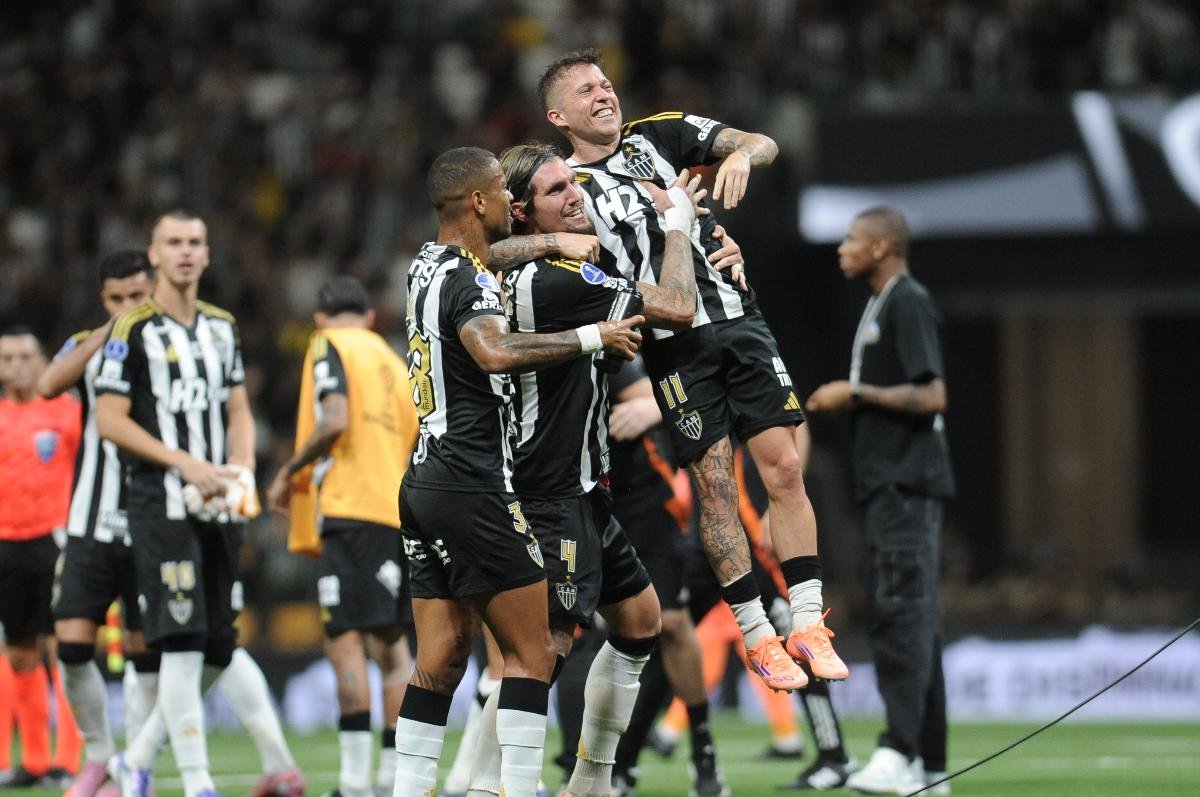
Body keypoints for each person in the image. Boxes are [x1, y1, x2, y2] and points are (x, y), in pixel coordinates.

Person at [538, 49, 845, 691]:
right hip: (674, 344)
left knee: (785, 467)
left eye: (606, 84)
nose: (604, 95)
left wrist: (737, 158)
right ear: (558, 114)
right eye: (586, 90)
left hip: (737, 316)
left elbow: (762, 143)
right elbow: (532, 250)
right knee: (715, 488)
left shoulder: (662, 134)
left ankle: (810, 622)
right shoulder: (563, 189)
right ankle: (757, 634)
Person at [392, 146, 642, 797]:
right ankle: (515, 788)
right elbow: (494, 351)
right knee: (533, 653)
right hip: (472, 483)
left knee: (439, 661)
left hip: (421, 480)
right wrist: (593, 337)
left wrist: (553, 238)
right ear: (478, 202)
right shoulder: (470, 281)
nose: (512, 201)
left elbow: (488, 264)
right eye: (503, 190)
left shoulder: (425, 264)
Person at [42, 250, 303, 797]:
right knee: (71, 645)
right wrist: (112, 331)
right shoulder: (100, 342)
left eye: (136, 295)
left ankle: (141, 768)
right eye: (115, 299)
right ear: (102, 300)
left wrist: (236, 473)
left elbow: (229, 408)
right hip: (93, 520)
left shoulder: (188, 341)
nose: (127, 306)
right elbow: (49, 382)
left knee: (168, 650)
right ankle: (104, 759)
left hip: (161, 517)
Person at [95, 210, 264, 797]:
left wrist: (240, 468)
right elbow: (109, 420)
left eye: (196, 242)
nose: (186, 252)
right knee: (185, 638)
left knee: (219, 643)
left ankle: (136, 758)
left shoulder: (222, 326)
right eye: (175, 243)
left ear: (207, 254)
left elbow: (238, 407)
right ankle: (196, 782)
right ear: (155, 255)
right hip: (161, 504)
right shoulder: (132, 329)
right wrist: (184, 463)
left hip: (219, 504)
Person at [806, 206, 953, 795]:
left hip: (905, 486)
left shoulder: (907, 299)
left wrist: (856, 392)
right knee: (917, 623)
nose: (841, 248)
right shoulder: (878, 303)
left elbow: (934, 393)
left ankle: (896, 750)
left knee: (900, 618)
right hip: (889, 487)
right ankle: (930, 767)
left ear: (883, 246)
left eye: (851, 239)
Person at [267, 275, 417, 797]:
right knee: (392, 646)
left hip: (350, 511)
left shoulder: (327, 345)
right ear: (371, 317)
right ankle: (398, 778)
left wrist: (290, 470)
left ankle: (356, 784)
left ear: (320, 319)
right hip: (394, 512)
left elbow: (333, 420)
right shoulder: (394, 362)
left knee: (344, 641)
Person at [0, 328, 82, 789]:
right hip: (7, 547)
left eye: (25, 356)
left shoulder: (69, 414)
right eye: (7, 357)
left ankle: (67, 760)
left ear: (42, 360)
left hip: (57, 541)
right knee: (20, 652)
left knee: (64, 649)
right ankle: (31, 759)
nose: (16, 365)